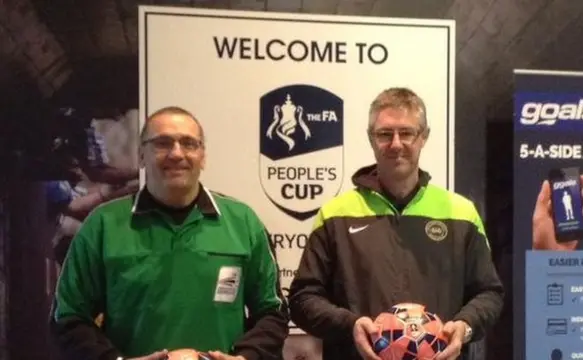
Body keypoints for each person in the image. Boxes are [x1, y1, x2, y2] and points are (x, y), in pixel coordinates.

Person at [50, 106, 289, 360]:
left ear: (203, 156)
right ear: (142, 155)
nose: (177, 153)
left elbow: (272, 312)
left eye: (189, 143)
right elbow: (68, 318)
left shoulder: (243, 223)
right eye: (162, 143)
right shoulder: (102, 225)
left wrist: (246, 357)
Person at [287, 87, 504, 360]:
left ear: (423, 137)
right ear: (370, 138)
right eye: (385, 134)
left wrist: (465, 326)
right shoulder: (335, 214)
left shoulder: (461, 212)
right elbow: (302, 299)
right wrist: (350, 325)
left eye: (407, 132)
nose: (396, 144)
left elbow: (489, 293)